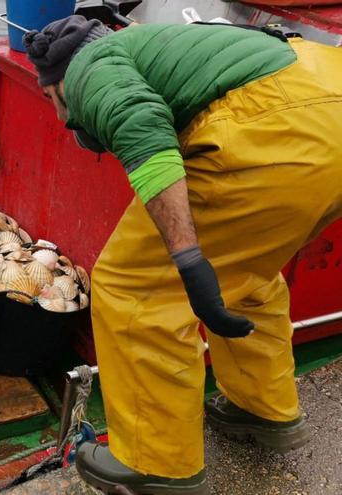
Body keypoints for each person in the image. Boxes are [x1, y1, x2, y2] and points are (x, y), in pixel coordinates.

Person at [24, 15, 342, 494]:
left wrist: (188, 258)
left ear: (57, 82)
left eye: (51, 99)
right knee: (247, 272)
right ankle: (265, 409)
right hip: (326, 108)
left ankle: (156, 464)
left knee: (134, 289)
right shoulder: (157, 41)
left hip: (273, 125)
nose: (57, 113)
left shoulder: (88, 65)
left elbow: (143, 130)